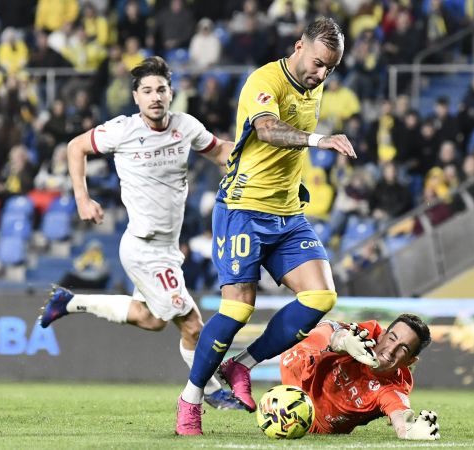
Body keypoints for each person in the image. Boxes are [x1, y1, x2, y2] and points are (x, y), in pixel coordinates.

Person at [175, 18, 356, 435]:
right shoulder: (264, 80)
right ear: (298, 46)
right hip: (243, 207)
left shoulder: (314, 84)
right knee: (239, 308)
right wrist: (319, 140)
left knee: (321, 296)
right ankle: (191, 399)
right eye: (317, 64)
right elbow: (267, 129)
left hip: (287, 212)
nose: (321, 74)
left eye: (330, 68)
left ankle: (242, 364)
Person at [37, 56, 240, 410]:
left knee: (151, 319)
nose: (155, 97)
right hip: (143, 248)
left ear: (171, 93)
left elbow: (220, 150)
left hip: (168, 248)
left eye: (161, 89)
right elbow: (75, 147)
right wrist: (83, 198)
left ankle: (69, 301)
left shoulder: (186, 126)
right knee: (193, 326)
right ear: (136, 97)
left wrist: (256, 155)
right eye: (147, 90)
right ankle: (209, 393)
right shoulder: (122, 130)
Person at [280, 314, 440, 440]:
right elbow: (333, 331)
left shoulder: (391, 390)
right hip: (298, 365)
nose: (391, 350)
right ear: (382, 335)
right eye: (391, 338)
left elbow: (400, 416)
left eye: (403, 349)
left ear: (410, 361)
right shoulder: (365, 335)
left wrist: (410, 431)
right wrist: (343, 342)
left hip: (313, 423)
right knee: (327, 333)